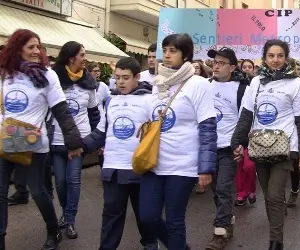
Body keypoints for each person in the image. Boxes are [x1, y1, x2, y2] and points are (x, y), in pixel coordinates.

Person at [0, 29, 84, 249]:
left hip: (33, 144)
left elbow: (61, 110)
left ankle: (53, 230)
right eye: (31, 47)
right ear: (17, 49)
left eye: (38, 46)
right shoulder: (6, 74)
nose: (37, 51)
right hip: (6, 140)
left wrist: (73, 143)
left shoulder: (47, 75)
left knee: (38, 191)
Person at [138, 33, 217, 250]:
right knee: (147, 217)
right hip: (153, 163)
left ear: (186, 55)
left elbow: (208, 127)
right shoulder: (158, 82)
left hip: (183, 165)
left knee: (174, 220)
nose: (167, 55)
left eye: (173, 50)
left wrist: (205, 168)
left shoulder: (198, 84)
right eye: (166, 50)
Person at [231, 39, 300, 250]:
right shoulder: (256, 82)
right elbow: (246, 115)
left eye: (280, 56)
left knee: (274, 194)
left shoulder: (296, 83)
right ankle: (276, 224)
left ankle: (276, 241)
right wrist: (238, 143)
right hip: (259, 146)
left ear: (286, 58)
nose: (275, 60)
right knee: (268, 195)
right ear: (265, 58)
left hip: (285, 146)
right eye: (271, 56)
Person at [83, 57, 158, 250]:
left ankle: (150, 244)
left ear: (137, 77)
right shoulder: (111, 101)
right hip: (113, 169)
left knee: (145, 215)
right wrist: (80, 146)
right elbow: (100, 132)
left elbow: (159, 134)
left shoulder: (149, 100)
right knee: (111, 215)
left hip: (140, 168)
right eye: (117, 78)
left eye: (126, 77)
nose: (121, 82)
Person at [52, 41, 101, 239]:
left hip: (79, 142)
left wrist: (98, 140)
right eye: (82, 55)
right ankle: (65, 211)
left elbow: (94, 114)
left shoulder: (89, 84)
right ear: (71, 57)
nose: (84, 58)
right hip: (56, 139)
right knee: (61, 182)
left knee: (73, 180)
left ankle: (70, 219)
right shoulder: (54, 80)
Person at [205, 47, 249, 250]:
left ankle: (220, 231)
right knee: (215, 190)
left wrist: (241, 144)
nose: (216, 66)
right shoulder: (204, 86)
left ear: (232, 67)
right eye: (214, 62)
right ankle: (227, 218)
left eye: (221, 63)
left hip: (228, 148)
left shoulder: (241, 88)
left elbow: (246, 119)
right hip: (207, 147)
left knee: (223, 188)